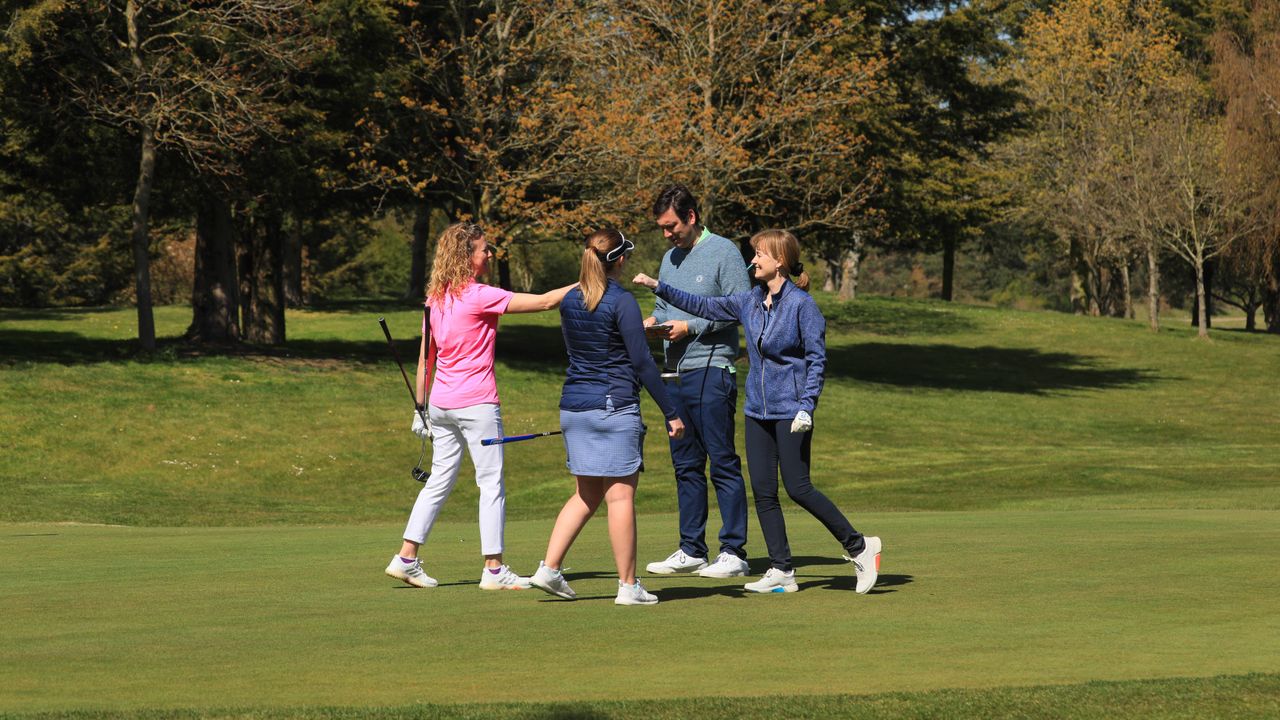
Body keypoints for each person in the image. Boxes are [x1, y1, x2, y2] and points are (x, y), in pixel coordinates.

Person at [633, 229, 882, 594]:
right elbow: (704, 306)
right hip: (757, 410)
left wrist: (807, 406)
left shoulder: (802, 305)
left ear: (779, 260)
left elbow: (816, 359)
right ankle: (782, 570)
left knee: (798, 487)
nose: (753, 260)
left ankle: (859, 545)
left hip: (792, 411)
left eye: (760, 255)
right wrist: (660, 286)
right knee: (763, 492)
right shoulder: (750, 300)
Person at [385, 221, 576, 591]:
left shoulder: (436, 299)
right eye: (484, 249)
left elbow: (427, 358)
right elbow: (546, 302)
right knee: (491, 483)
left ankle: (406, 557)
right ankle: (493, 569)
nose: (490, 254)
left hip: (440, 404)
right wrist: (588, 279)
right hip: (477, 404)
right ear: (466, 257)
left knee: (439, 481)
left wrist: (420, 407)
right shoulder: (479, 295)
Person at [529, 228, 686, 606]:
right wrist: (672, 412)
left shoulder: (570, 299)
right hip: (614, 406)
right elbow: (642, 363)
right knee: (619, 497)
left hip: (574, 407)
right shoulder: (622, 301)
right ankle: (628, 586)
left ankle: (549, 569)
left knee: (586, 493)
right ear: (618, 260)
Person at [642, 184, 753, 579]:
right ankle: (691, 549)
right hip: (674, 372)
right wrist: (651, 323)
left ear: (690, 217)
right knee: (685, 464)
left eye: (671, 226)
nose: (667, 234)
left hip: (712, 367)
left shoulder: (724, 251)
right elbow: (661, 305)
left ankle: (734, 551)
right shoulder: (670, 258)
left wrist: (691, 326)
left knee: (721, 461)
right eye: (662, 228)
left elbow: (741, 307)